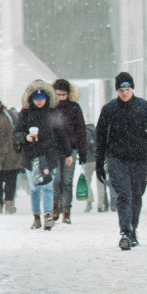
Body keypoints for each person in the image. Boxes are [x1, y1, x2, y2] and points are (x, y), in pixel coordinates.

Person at [95, 71, 147, 250]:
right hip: (117, 159)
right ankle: (125, 231)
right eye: (122, 89)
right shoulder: (109, 109)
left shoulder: (144, 107)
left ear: (132, 89)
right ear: (117, 90)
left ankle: (132, 229)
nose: (125, 92)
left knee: (136, 196)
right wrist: (99, 163)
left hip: (139, 160)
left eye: (128, 89)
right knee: (124, 195)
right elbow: (100, 137)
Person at [15, 80, 71, 230]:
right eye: (36, 99)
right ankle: (36, 217)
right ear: (31, 99)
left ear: (47, 99)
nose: (39, 102)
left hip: (49, 154)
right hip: (30, 155)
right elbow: (17, 133)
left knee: (47, 186)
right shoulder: (25, 114)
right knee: (34, 188)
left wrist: (68, 153)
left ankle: (48, 216)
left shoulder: (53, 113)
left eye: (42, 99)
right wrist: (26, 137)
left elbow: (61, 133)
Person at [52, 79, 89, 224]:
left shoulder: (74, 108)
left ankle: (66, 211)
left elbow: (81, 130)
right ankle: (56, 206)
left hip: (71, 150)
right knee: (56, 181)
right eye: (58, 94)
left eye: (63, 95)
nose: (61, 98)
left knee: (67, 181)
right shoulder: (50, 108)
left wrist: (83, 151)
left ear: (68, 94)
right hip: (54, 150)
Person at [82, 123, 102, 212]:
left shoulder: (85, 133)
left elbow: (84, 147)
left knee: (87, 182)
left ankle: (89, 202)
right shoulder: (98, 132)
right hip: (99, 160)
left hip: (89, 160)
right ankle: (100, 205)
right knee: (100, 183)